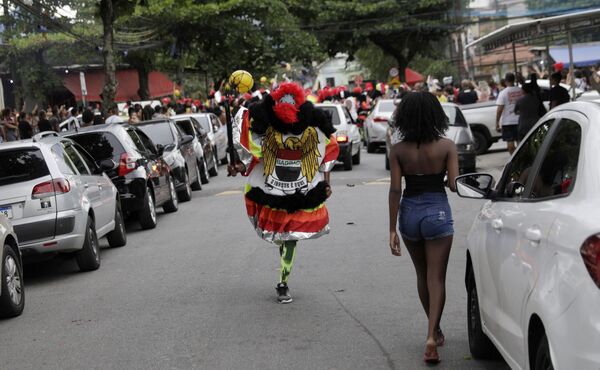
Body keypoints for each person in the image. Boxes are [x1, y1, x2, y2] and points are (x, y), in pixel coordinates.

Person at [227, 82, 339, 304]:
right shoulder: (264, 130)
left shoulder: (312, 130)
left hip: (300, 193)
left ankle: (283, 282)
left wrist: (326, 183)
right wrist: (238, 167)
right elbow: (252, 156)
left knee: (289, 239)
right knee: (282, 238)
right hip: (272, 192)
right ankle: (283, 268)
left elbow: (324, 154)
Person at [388, 92, 458, 365]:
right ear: (435, 115)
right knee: (436, 277)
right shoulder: (447, 147)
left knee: (421, 275)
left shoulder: (398, 150)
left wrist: (391, 229)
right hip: (437, 211)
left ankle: (435, 330)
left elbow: (395, 189)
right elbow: (454, 184)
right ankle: (432, 336)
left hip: (409, 213)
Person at [495, 72, 523, 154]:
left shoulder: (503, 93)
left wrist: (497, 123)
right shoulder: (521, 90)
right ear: (514, 80)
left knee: (510, 145)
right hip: (520, 120)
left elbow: (500, 109)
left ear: (505, 81)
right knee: (521, 143)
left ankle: (514, 160)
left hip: (508, 122)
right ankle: (520, 159)